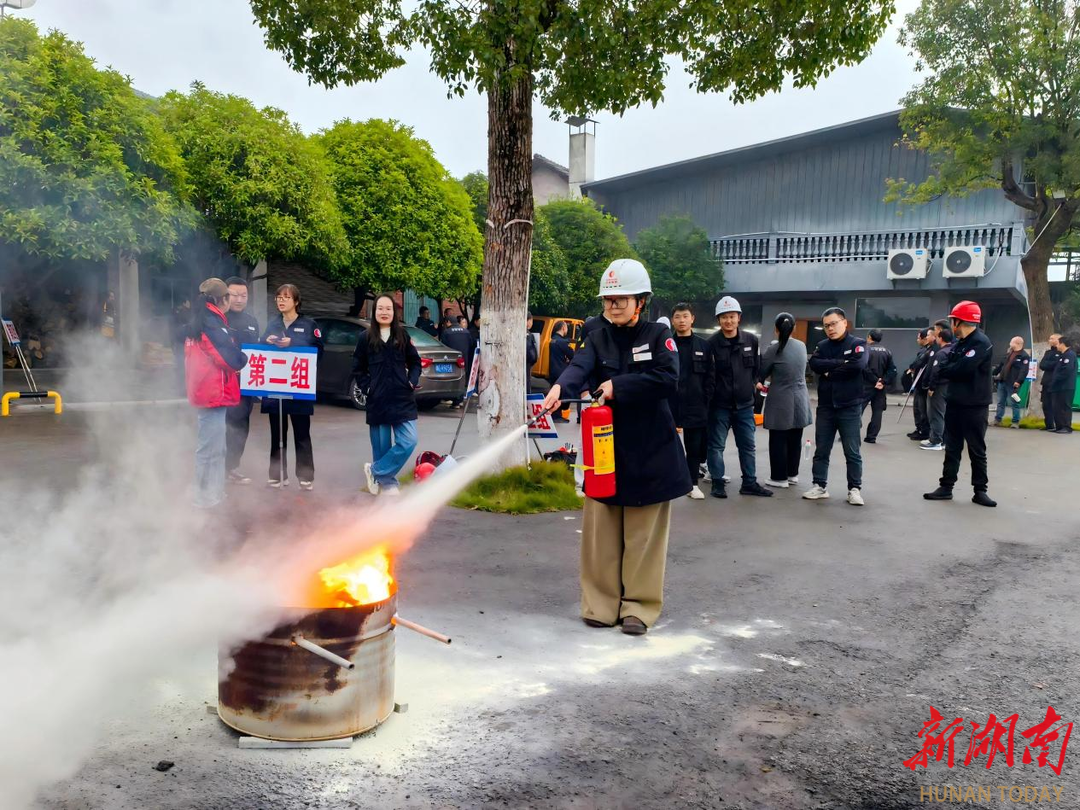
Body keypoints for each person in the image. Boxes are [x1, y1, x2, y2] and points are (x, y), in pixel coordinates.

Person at [541, 259, 689, 636]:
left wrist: (616, 386)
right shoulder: (597, 336)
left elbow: (667, 378)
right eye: (608, 301)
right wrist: (561, 388)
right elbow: (580, 367)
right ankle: (600, 604)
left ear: (641, 301)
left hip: (651, 449)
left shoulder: (658, 336)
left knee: (643, 536)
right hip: (605, 449)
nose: (612, 307)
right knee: (601, 533)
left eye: (620, 300)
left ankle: (639, 608)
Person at [924, 301, 996, 507]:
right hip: (955, 402)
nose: (951, 325)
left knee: (976, 449)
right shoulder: (960, 343)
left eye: (952, 321)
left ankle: (980, 491)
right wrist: (952, 367)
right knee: (952, 448)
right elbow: (947, 367)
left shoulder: (981, 342)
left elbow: (961, 370)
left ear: (959, 321)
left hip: (975, 405)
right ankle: (946, 487)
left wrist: (951, 367)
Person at [184, 278, 248, 509]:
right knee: (209, 449)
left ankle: (213, 492)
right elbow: (230, 358)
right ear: (223, 299)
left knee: (214, 447)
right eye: (231, 296)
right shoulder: (212, 324)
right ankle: (204, 496)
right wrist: (243, 357)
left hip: (206, 392)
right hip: (212, 394)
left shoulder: (200, 321)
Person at [354, 294, 423, 495]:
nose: (384, 312)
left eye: (388, 309)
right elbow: (358, 368)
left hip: (402, 397)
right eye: (380, 309)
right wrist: (368, 388)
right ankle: (388, 484)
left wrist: (412, 380)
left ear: (394, 312)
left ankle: (375, 471)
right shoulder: (365, 338)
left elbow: (415, 362)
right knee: (381, 446)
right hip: (378, 399)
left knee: (409, 440)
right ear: (374, 312)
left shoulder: (402, 336)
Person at [705, 296, 771, 498]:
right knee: (716, 445)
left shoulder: (751, 340)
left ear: (739, 317)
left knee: (747, 446)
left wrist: (750, 389)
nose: (728, 321)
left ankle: (749, 483)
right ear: (718, 320)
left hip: (744, 405)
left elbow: (755, 371)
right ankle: (717, 482)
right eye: (724, 317)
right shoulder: (711, 344)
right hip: (720, 405)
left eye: (732, 316)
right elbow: (708, 375)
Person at [260, 284, 324, 490]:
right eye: (278, 297)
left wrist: (293, 342)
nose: (281, 300)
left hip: (298, 386)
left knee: (302, 432)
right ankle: (277, 474)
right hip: (276, 386)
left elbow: (318, 350)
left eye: (286, 297)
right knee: (277, 432)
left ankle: (305, 476)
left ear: (296, 301)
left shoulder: (308, 323)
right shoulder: (273, 324)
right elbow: (260, 349)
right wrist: (266, 341)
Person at [804, 306, 868, 505]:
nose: (830, 328)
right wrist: (841, 363)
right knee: (822, 449)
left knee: (852, 450)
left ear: (844, 323)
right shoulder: (822, 345)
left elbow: (857, 366)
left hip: (849, 406)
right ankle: (819, 485)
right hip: (826, 406)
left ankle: (854, 489)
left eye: (833, 324)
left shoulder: (858, 343)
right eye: (826, 326)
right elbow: (814, 364)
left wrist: (830, 371)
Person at [758, 312, 812, 488]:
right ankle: (792, 474)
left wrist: (759, 382)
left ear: (775, 329)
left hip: (781, 399)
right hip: (800, 399)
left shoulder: (773, 349)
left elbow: (761, 373)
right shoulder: (802, 346)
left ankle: (779, 478)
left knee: (778, 439)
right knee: (795, 438)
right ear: (794, 328)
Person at [670, 303, 714, 499]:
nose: (681, 320)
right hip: (670, 403)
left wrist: (706, 399)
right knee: (665, 444)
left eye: (685, 316)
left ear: (692, 319)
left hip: (696, 404)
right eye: (678, 316)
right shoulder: (666, 344)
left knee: (694, 446)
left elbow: (710, 377)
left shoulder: (704, 346)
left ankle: (692, 484)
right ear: (673, 320)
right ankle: (665, 481)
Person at [224, 277, 260, 485]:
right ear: (226, 295)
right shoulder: (218, 319)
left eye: (243, 295)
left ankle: (232, 467)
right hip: (223, 385)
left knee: (241, 428)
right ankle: (219, 469)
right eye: (234, 295)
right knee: (224, 428)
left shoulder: (251, 321)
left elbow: (257, 352)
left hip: (246, 385)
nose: (239, 299)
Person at [920, 326, 954, 451]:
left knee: (936, 414)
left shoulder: (941, 353)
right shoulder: (954, 350)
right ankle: (943, 439)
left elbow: (935, 371)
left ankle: (935, 441)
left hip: (940, 387)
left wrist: (931, 387)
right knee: (945, 413)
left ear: (940, 338)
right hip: (950, 386)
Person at [860, 329, 896, 443]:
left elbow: (863, 368)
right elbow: (893, 370)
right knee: (877, 412)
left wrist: (875, 380)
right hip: (881, 387)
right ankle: (871, 437)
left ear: (869, 337)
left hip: (866, 385)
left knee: (857, 410)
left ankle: (851, 434)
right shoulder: (887, 351)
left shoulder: (865, 350)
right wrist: (882, 381)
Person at [992, 336, 1030, 427]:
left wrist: (1019, 381)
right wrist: (994, 373)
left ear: (1017, 343)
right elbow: (1002, 365)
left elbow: (1024, 370)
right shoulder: (1009, 353)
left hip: (1013, 383)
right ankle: (998, 420)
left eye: (1011, 342)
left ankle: (1015, 422)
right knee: (1001, 401)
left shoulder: (1024, 356)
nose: (1010, 343)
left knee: (1014, 402)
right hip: (1003, 381)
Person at [905, 329, 934, 441]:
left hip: (922, 384)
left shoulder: (929, 351)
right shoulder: (923, 350)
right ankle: (919, 428)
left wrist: (913, 366)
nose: (917, 340)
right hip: (917, 384)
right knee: (916, 408)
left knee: (922, 409)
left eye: (918, 337)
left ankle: (924, 430)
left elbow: (919, 363)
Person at [547, 321, 575, 420]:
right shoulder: (563, 342)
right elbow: (572, 355)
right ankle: (557, 415)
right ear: (563, 328)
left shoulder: (552, 340)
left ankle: (554, 414)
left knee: (553, 392)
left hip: (552, 370)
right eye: (566, 327)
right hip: (561, 371)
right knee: (560, 394)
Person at [1049, 334, 1077, 435]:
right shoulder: (1063, 355)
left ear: (1063, 344)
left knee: (1065, 407)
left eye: (1058, 344)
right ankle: (1059, 426)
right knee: (1057, 407)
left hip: (1066, 386)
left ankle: (1066, 427)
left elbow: (1067, 371)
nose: (1056, 346)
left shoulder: (1069, 355)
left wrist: (1056, 379)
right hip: (1058, 387)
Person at [1038, 334, 1061, 430]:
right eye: (1049, 338)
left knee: (1055, 405)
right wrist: (1051, 364)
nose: (1049, 340)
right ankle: (1049, 425)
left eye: (1052, 338)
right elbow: (1042, 365)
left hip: (1056, 382)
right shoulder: (1047, 352)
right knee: (1046, 404)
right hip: (1046, 382)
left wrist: (1049, 364)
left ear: (1058, 340)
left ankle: (1058, 425)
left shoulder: (1061, 352)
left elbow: (1058, 364)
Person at [525, 312, 539, 394]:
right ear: (529, 321)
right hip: (526, 364)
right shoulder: (528, 335)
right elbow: (531, 354)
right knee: (526, 384)